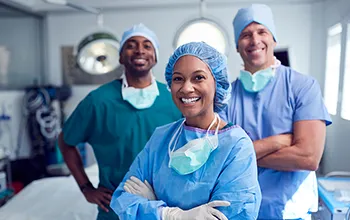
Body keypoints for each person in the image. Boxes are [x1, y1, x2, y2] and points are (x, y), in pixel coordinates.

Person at [110, 42, 262, 220]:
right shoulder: (162, 138)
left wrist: (152, 208)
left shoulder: (236, 145)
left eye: (198, 78)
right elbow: (123, 199)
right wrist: (169, 215)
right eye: (178, 79)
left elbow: (230, 216)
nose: (186, 88)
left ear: (217, 82)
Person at [57, 23, 182, 220]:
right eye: (131, 45)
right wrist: (86, 188)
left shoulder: (174, 99)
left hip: (165, 208)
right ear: (121, 56)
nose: (140, 50)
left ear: (155, 56)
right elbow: (65, 141)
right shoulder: (98, 101)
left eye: (147, 45)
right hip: (115, 210)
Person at [220, 4, 332, 220]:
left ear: (274, 39)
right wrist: (280, 142)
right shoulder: (225, 98)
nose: (254, 40)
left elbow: (308, 157)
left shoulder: (302, 86)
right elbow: (221, 158)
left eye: (262, 32)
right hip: (239, 211)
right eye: (246, 34)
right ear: (236, 45)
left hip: (290, 211)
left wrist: (243, 155)